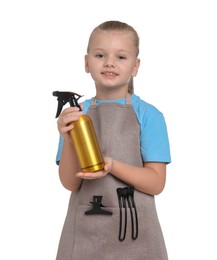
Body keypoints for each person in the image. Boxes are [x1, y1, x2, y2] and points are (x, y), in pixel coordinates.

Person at [55, 20, 171, 260]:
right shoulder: (77, 116)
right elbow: (70, 183)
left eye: (121, 57)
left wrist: (112, 165)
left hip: (135, 229)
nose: (109, 62)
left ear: (135, 66)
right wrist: (68, 140)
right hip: (84, 231)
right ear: (87, 63)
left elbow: (156, 183)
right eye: (100, 55)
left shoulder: (149, 116)